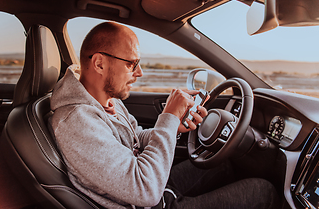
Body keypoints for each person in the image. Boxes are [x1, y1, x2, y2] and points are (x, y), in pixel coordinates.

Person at [49, 22, 279, 209]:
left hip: (155, 187)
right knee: (262, 191)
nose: (139, 72)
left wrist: (174, 126)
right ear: (99, 63)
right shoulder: (77, 122)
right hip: (147, 199)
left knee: (222, 164)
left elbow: (136, 138)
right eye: (132, 63)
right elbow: (145, 191)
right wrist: (168, 119)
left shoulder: (108, 100)